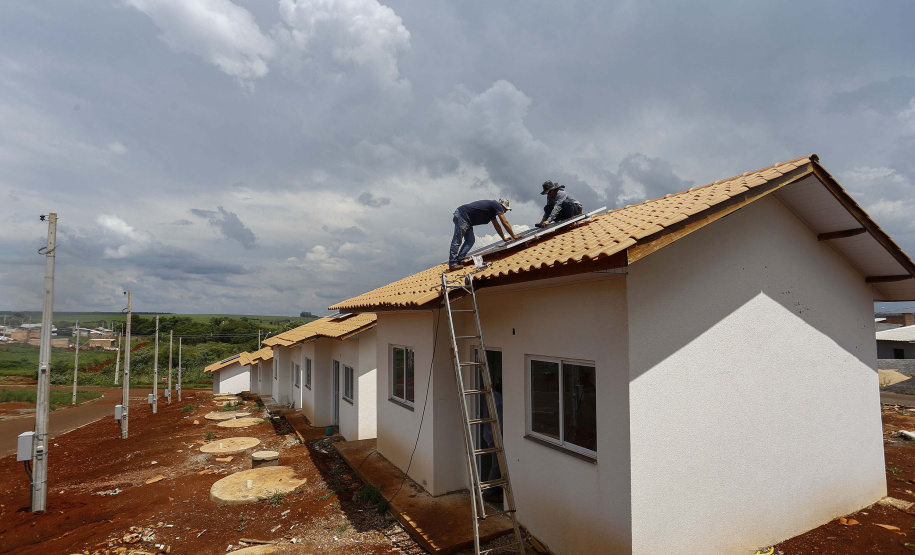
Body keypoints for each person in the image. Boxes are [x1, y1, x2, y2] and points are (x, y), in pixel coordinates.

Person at [449, 198, 518, 270]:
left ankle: (460, 260)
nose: (505, 211)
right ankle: (453, 263)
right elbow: (505, 222)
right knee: (458, 239)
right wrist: (514, 236)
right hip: (462, 215)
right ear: (502, 206)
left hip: (466, 219)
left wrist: (503, 238)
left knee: (470, 240)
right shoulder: (497, 205)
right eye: (506, 209)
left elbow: (497, 225)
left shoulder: (492, 212)